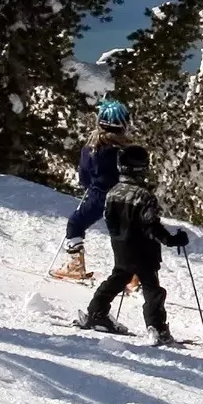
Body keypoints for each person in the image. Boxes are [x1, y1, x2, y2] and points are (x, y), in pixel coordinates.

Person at [76, 145, 190, 346]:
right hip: (144, 250)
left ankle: (96, 312)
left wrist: (121, 237)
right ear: (141, 169)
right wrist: (172, 240)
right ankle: (157, 328)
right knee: (152, 288)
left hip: (121, 247)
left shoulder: (113, 192)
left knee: (118, 278)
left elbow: (109, 220)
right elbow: (151, 226)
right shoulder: (144, 196)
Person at [51, 100, 134, 281]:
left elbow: (84, 176)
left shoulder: (92, 149)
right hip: (126, 197)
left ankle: (75, 265)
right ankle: (133, 275)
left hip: (100, 196)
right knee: (124, 234)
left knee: (76, 223)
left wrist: (90, 184)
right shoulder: (127, 150)